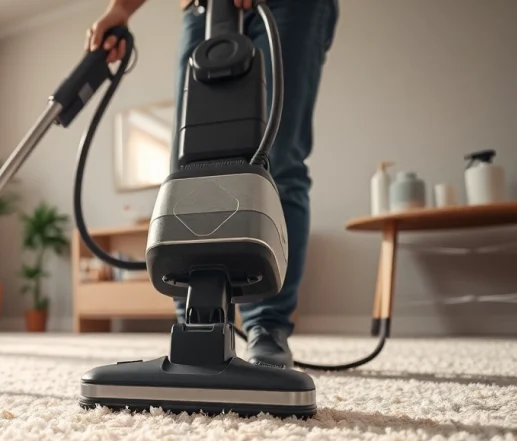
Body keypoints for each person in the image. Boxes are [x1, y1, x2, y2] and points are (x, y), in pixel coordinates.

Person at [86, 0, 338, 368]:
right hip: (202, 7)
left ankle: (266, 326)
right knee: (189, 167)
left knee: (275, 161)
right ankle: (195, 321)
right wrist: (121, 9)